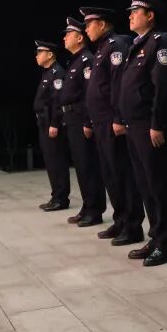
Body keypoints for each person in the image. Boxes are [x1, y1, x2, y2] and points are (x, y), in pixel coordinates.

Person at [113, 0, 167, 266]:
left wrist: (158, 124)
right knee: (145, 185)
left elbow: (162, 88)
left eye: (135, 12)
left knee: (157, 185)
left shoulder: (160, 42)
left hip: (149, 126)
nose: (130, 16)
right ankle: (155, 236)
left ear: (149, 15)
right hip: (134, 125)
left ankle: (166, 243)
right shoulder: (137, 45)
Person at [80, 7, 143, 246]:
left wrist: (118, 117)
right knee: (110, 174)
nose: (87, 29)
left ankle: (133, 225)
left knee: (122, 173)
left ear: (102, 24)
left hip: (111, 121)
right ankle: (120, 220)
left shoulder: (116, 45)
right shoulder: (101, 49)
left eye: (89, 24)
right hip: (100, 122)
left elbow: (118, 85)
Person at [60, 18, 106, 227]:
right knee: (80, 166)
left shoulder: (87, 60)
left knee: (89, 166)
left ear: (79, 38)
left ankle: (95, 210)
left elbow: (89, 94)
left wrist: (88, 121)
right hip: (72, 119)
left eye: (68, 34)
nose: (65, 38)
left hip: (81, 119)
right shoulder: (75, 61)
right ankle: (87, 206)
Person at [34, 40, 71, 211]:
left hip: (52, 124)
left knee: (57, 161)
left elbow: (58, 101)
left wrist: (55, 123)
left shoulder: (57, 73)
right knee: (51, 161)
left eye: (40, 53)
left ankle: (61, 199)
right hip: (44, 123)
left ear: (50, 55)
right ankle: (56, 195)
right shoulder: (47, 73)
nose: (37, 56)